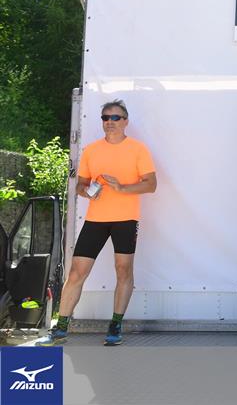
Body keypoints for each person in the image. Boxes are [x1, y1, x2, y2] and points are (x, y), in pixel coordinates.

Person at [38, 100, 156, 346]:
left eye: (115, 117)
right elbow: (80, 185)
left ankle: (115, 324)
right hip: (95, 219)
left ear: (125, 121)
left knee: (123, 270)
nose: (109, 122)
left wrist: (122, 188)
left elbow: (151, 184)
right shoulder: (91, 150)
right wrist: (87, 192)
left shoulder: (138, 149)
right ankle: (61, 327)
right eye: (105, 118)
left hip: (126, 218)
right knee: (76, 272)